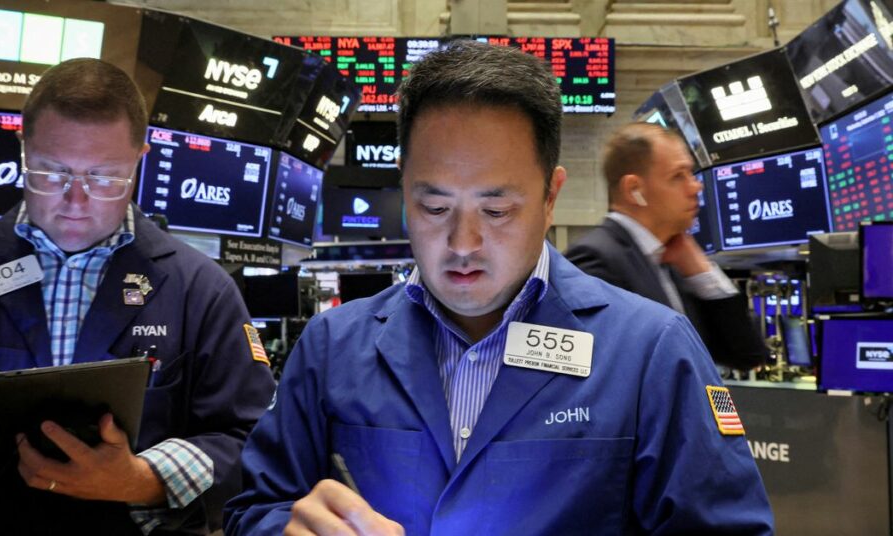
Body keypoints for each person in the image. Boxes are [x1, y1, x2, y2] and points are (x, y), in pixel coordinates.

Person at [224, 41, 773, 535]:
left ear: (551, 195)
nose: (463, 242)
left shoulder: (652, 351)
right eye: (434, 206)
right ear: (403, 186)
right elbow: (256, 509)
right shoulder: (331, 347)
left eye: (497, 209)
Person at [0, 58, 275, 535]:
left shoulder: (202, 290)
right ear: (23, 146)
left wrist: (139, 480)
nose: (76, 200)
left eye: (105, 177)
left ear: (140, 158)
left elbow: (249, 441)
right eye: (50, 171)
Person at [565, 122, 767, 371]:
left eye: (690, 174)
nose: (695, 187)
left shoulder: (671, 261)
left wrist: (702, 273)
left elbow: (747, 355)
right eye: (677, 176)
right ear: (634, 189)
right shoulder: (595, 259)